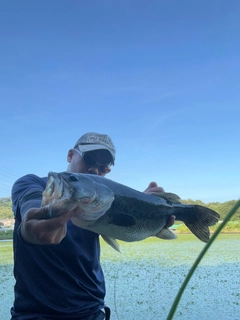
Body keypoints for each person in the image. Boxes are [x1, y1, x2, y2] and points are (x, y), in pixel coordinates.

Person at [11, 132, 175, 320]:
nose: (96, 170)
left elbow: (125, 228)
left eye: (104, 167)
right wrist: (30, 227)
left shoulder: (99, 201)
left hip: (92, 312)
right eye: (89, 159)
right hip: (36, 315)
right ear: (71, 155)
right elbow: (31, 205)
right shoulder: (32, 183)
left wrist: (143, 206)